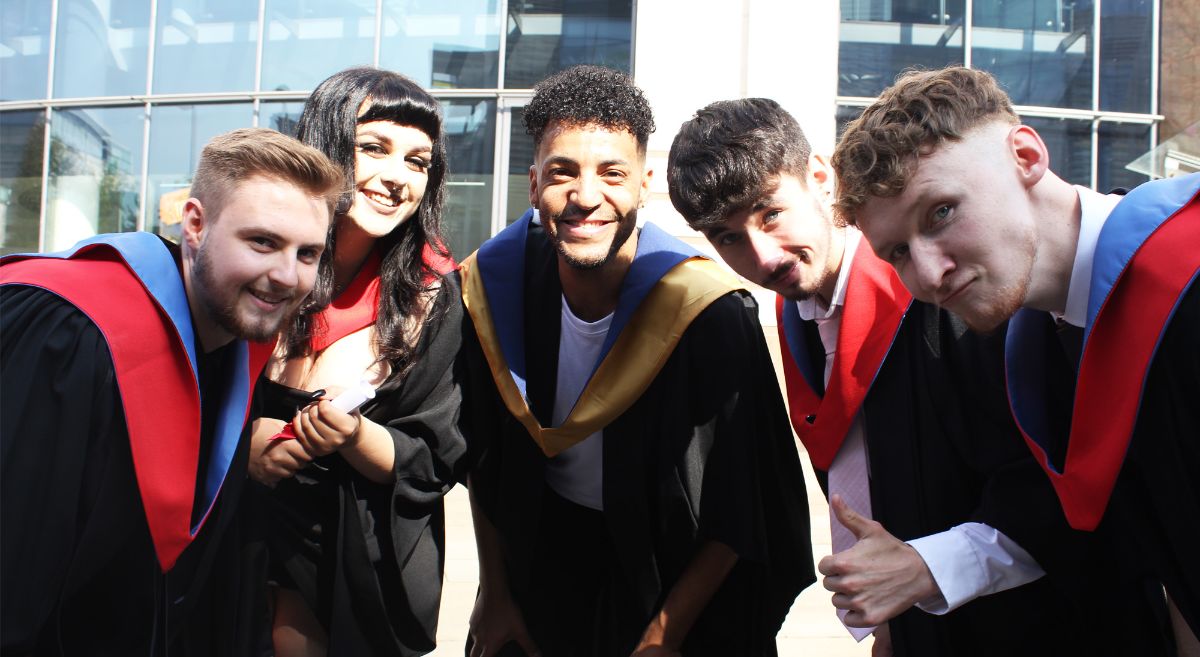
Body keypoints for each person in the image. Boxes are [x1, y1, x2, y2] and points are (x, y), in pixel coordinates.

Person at [667, 97, 1171, 657]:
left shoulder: (957, 291)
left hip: (1048, 627)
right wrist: (895, 625)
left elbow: (1064, 483)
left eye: (770, 214)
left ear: (817, 176)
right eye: (727, 237)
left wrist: (925, 570)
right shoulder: (799, 315)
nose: (763, 257)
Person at [833, 65, 1200, 646]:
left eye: (942, 212)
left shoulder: (1188, 275)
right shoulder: (1039, 345)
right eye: (898, 252)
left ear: (1026, 155)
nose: (929, 274)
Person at [459, 66, 813, 656]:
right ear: (532, 185)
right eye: (562, 172)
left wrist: (662, 637)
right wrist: (494, 592)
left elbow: (740, 505)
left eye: (611, 173)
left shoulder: (708, 314)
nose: (585, 196)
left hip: (675, 571)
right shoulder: (496, 290)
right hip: (546, 560)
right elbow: (486, 457)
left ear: (645, 184)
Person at [0, 127, 342, 655]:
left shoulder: (237, 346)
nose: (286, 275)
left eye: (308, 253)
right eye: (263, 242)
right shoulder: (72, 332)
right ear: (196, 225)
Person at [239, 67, 467, 657]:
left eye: (417, 162)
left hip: (349, 561)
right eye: (375, 149)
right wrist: (241, 443)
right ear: (327, 144)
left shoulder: (431, 297)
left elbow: (432, 459)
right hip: (231, 543)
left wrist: (351, 434)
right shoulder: (251, 266)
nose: (397, 178)